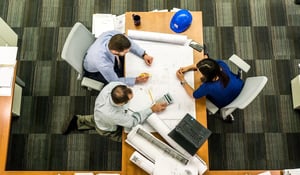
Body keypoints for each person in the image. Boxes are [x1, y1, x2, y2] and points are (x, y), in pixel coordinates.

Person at [62, 81, 168, 142]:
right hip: (107, 127)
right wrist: (152, 109)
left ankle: (78, 121)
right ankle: (78, 123)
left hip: (99, 114)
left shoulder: (114, 86)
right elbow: (133, 122)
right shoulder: (113, 115)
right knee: (127, 138)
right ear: (121, 104)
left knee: (95, 119)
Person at [176, 54, 244, 122]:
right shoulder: (222, 65)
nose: (197, 72)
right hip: (241, 88)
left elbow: (193, 94)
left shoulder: (208, 86)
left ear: (206, 77)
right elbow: (209, 64)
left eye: (199, 72)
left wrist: (182, 80)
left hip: (226, 102)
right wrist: (187, 68)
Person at [83, 30, 154, 86]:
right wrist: (136, 80)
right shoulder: (103, 63)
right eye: (126, 52)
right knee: (120, 82)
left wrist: (143, 54)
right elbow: (114, 81)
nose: (128, 52)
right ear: (116, 52)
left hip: (94, 53)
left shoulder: (114, 35)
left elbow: (129, 42)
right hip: (94, 72)